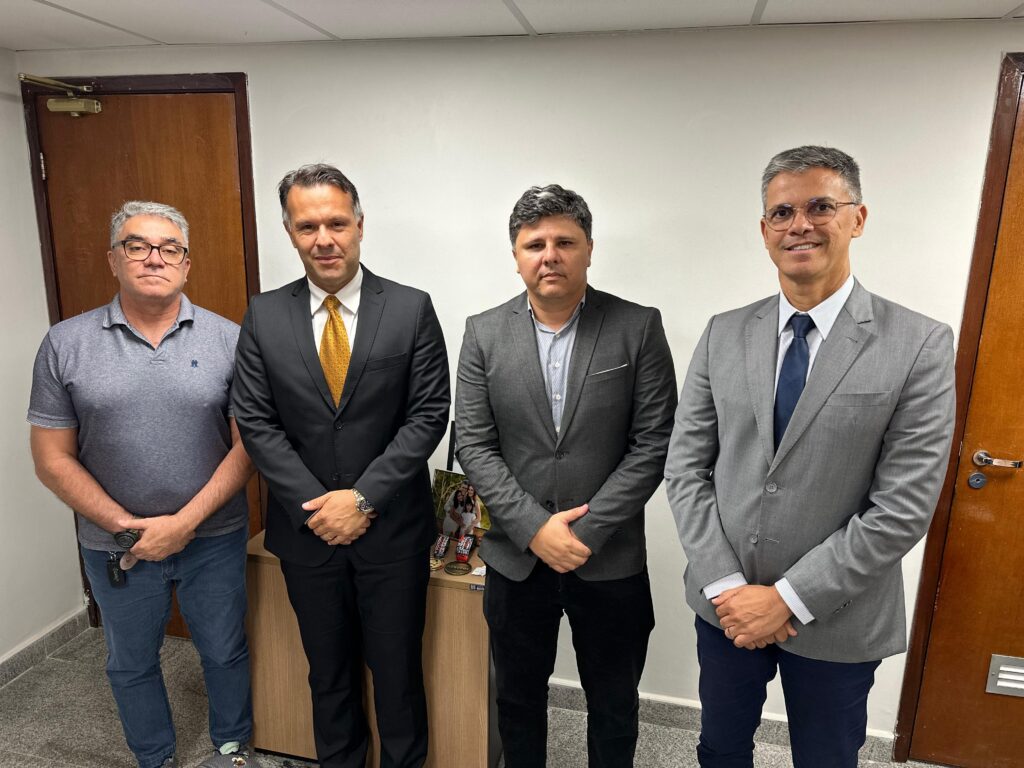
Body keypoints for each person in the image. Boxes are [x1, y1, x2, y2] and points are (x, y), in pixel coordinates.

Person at [665, 145, 956, 767]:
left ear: (858, 217)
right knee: (719, 749)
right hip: (727, 608)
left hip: (838, 613)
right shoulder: (724, 332)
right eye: (782, 212)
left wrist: (788, 599)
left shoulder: (919, 344)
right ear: (764, 230)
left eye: (821, 206)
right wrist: (727, 588)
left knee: (826, 758)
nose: (800, 224)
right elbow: (686, 470)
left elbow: (902, 508)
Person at [231, 164, 450, 768]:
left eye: (336, 222)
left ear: (359, 225)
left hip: (391, 533)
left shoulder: (410, 309)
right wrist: (319, 509)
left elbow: (428, 416)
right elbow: (255, 421)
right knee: (327, 675)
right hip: (307, 538)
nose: (323, 238)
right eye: (308, 226)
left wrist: (361, 499)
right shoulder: (264, 316)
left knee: (398, 675)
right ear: (289, 231)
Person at [28, 201, 259, 768]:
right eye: (138, 245)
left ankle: (232, 750)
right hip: (117, 547)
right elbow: (52, 459)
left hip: (214, 536)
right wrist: (127, 527)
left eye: (170, 248)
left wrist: (183, 524)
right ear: (114, 259)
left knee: (225, 651)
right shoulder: (65, 343)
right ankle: (155, 758)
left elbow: (248, 445)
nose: (155, 257)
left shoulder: (231, 340)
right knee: (130, 661)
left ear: (186, 264)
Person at [455, 184, 677, 767]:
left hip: (609, 559)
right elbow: (475, 445)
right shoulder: (482, 332)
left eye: (564, 242)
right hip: (515, 557)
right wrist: (534, 527)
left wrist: (584, 531)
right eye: (534, 243)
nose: (548, 254)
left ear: (588, 249)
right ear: (515, 254)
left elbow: (652, 443)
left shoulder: (637, 327)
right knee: (518, 699)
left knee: (612, 702)